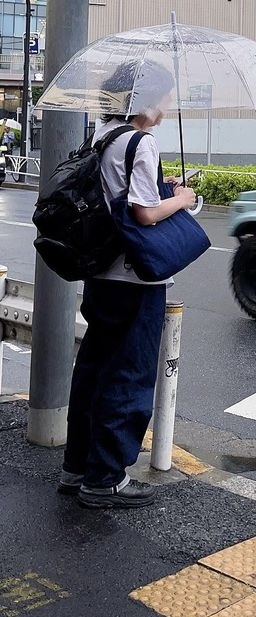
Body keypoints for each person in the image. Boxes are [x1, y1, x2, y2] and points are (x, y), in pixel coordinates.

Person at [59, 60, 197, 509]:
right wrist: (180, 198)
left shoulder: (103, 136)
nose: (169, 105)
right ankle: (105, 479)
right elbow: (142, 214)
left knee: (94, 368)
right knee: (129, 375)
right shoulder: (142, 142)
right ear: (147, 98)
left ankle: (77, 468)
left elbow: (118, 195)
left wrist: (161, 189)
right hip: (135, 277)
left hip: (100, 273)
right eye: (167, 95)